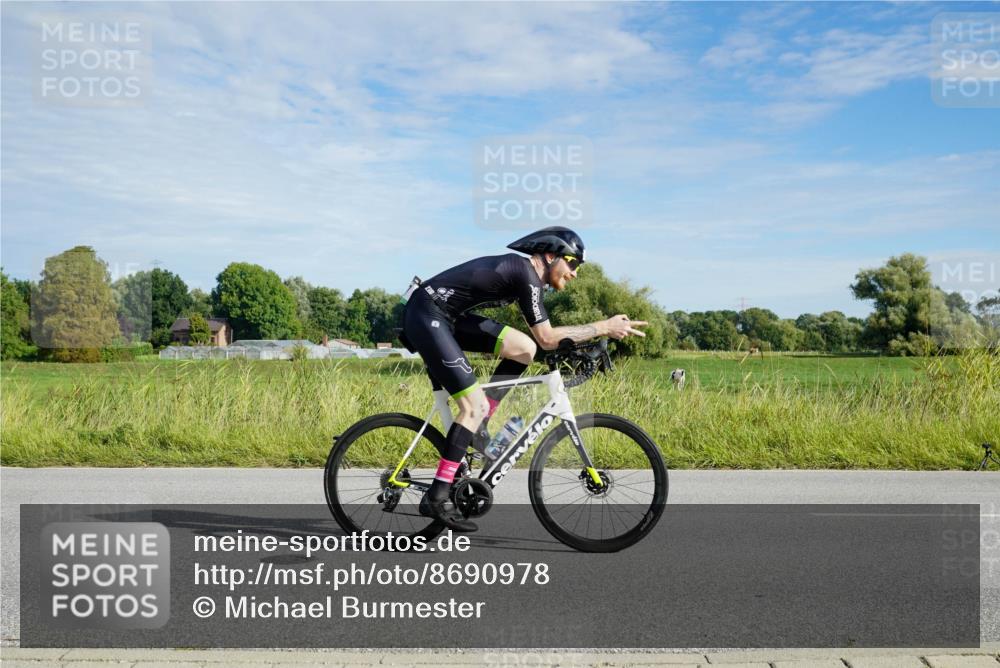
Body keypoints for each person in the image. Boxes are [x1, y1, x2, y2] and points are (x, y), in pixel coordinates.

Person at [401, 226, 647, 532]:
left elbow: (540, 343)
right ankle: (437, 496)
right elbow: (548, 337)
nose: (575, 273)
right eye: (573, 263)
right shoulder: (525, 274)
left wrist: (582, 344)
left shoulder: (526, 278)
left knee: (523, 349)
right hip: (427, 314)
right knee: (472, 405)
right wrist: (602, 327)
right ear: (550, 254)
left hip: (446, 316)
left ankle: (482, 422)